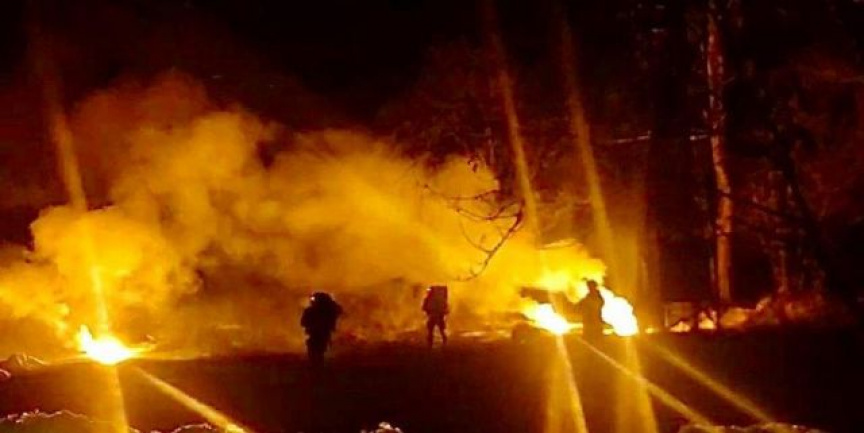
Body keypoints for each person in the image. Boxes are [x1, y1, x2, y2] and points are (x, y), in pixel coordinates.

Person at [300, 292, 343, 363]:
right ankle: (317, 362)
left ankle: (316, 362)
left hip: (318, 333)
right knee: (317, 348)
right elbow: (303, 322)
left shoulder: (327, 310)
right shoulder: (329, 310)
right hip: (320, 333)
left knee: (316, 349)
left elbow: (303, 322)